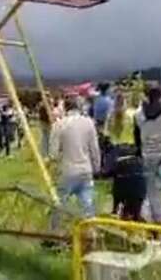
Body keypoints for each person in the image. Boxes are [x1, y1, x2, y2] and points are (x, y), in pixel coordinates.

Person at [49, 98, 101, 230]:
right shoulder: (89, 123)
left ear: (65, 108)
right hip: (86, 169)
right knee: (87, 205)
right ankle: (91, 234)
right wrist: (97, 167)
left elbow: (53, 154)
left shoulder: (59, 125)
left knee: (59, 204)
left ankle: (55, 235)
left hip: (67, 171)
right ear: (79, 107)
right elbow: (94, 149)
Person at [134, 84, 161, 224]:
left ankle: (153, 217)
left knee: (150, 189)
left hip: (147, 154)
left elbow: (137, 138)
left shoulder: (138, 114)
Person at [106, 92, 146, 220]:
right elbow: (138, 131)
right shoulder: (132, 114)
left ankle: (116, 209)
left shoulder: (110, 116)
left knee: (118, 182)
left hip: (116, 151)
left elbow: (106, 134)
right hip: (130, 150)